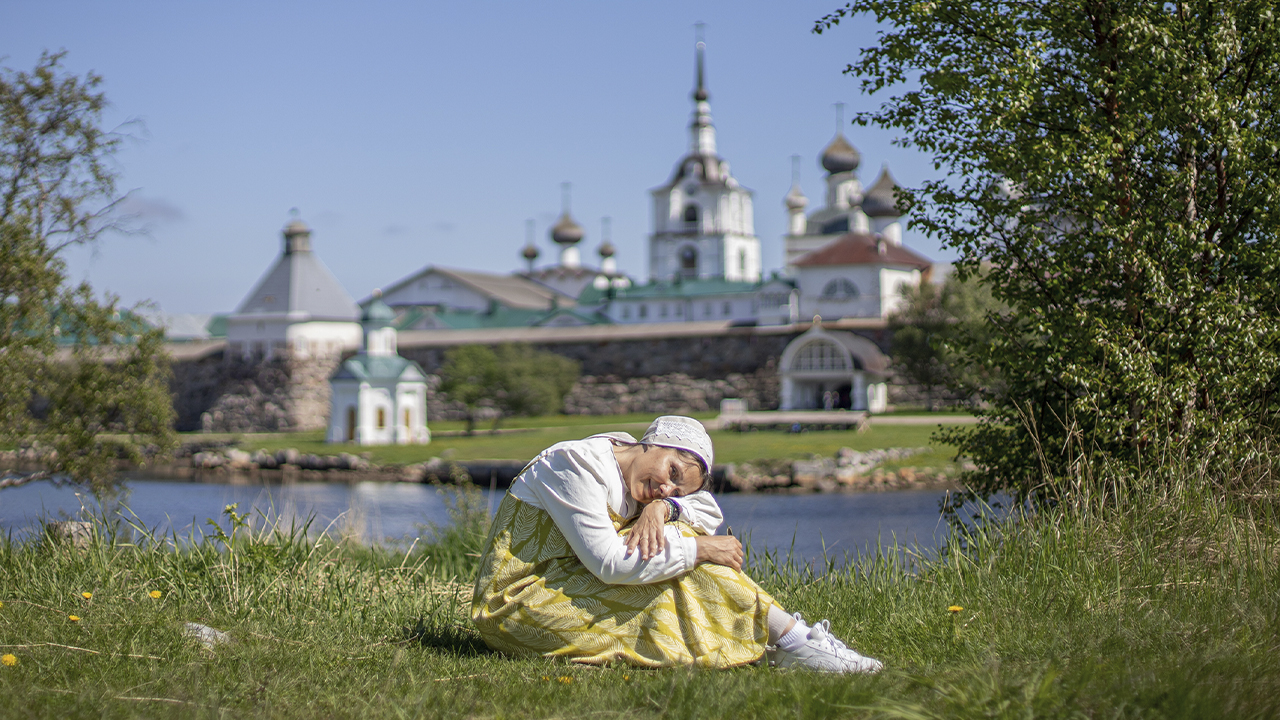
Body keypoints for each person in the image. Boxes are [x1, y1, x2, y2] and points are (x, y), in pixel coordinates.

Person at [470, 415, 882, 672]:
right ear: (652, 441)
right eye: (670, 469)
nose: (665, 486)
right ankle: (795, 642)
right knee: (688, 563)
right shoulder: (575, 464)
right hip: (519, 605)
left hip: (575, 586)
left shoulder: (652, 489)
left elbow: (707, 511)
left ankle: (793, 643)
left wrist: (666, 509)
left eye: (675, 487)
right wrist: (700, 550)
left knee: (683, 542)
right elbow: (611, 564)